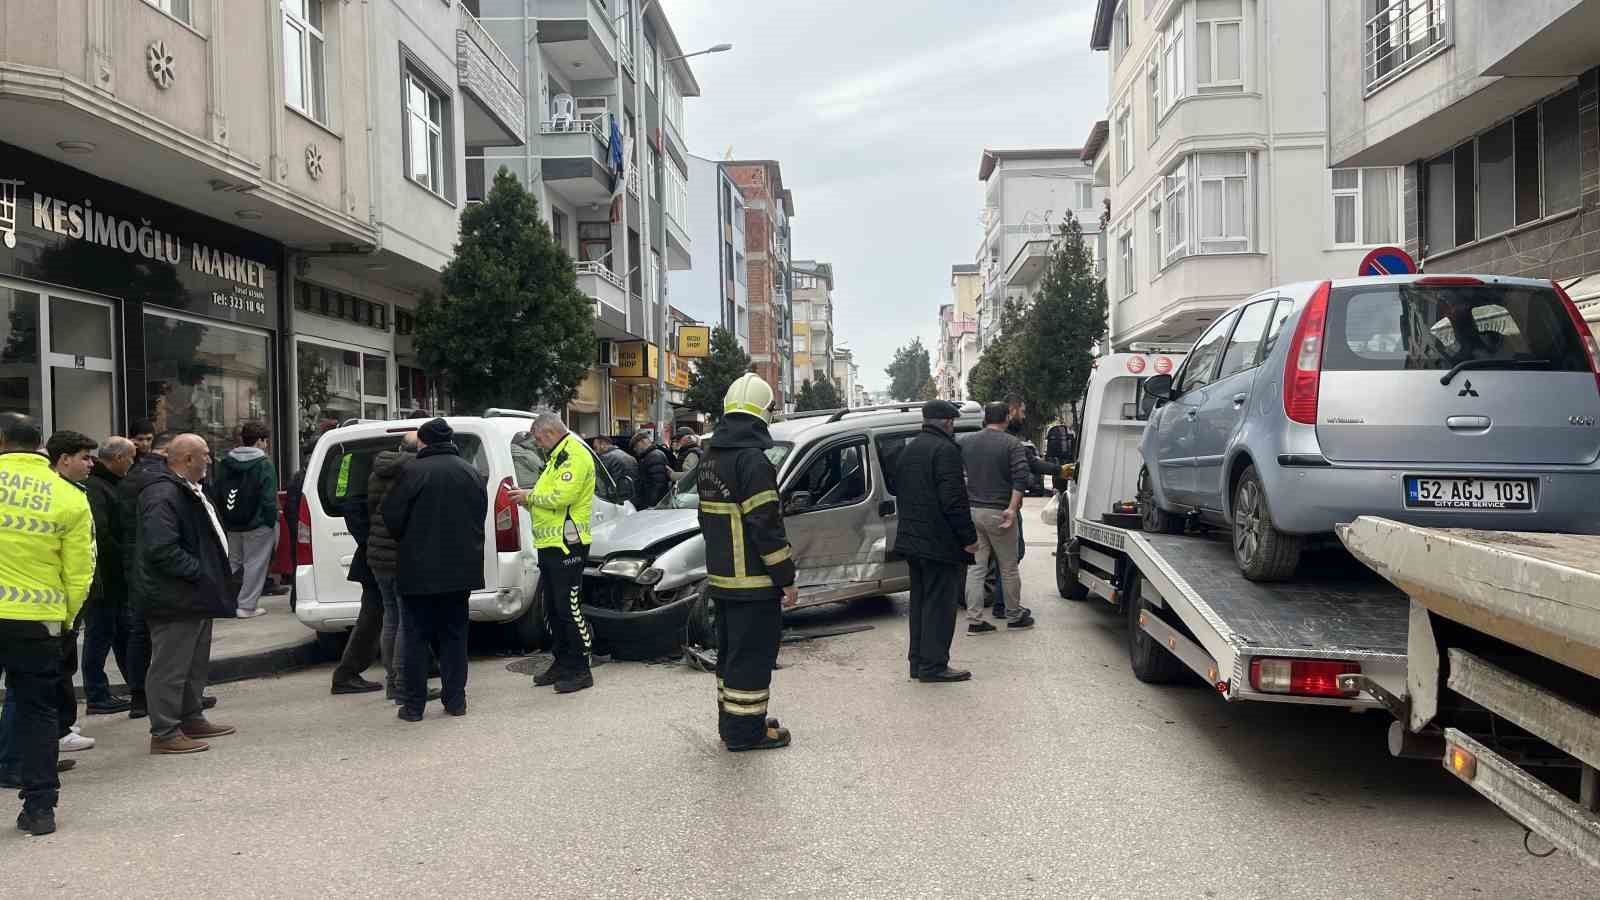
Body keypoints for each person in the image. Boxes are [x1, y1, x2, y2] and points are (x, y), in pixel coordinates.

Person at [0, 414, 95, 835]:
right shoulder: (68, 496)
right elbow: (80, 572)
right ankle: (40, 808)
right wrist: (66, 619)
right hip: (37, 622)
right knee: (37, 711)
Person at [698, 373, 797, 752]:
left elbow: (705, 520)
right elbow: (766, 526)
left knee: (731, 657)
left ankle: (736, 722)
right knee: (752, 657)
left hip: (723, 581)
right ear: (762, 413)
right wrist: (786, 577)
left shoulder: (710, 458)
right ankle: (746, 733)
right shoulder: (753, 461)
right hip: (753, 584)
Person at [136, 434, 238, 754]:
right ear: (188, 459)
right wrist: (200, 572)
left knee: (193, 663)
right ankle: (165, 732)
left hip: (194, 593)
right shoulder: (163, 493)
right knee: (171, 666)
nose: (210, 459)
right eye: (205, 454)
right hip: (175, 596)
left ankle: (191, 717)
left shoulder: (187, 488)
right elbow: (161, 548)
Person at [381, 419, 487, 722]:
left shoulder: (411, 472)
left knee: (416, 638)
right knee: (455, 637)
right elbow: (479, 514)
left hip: (418, 571)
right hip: (460, 571)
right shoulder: (469, 471)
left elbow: (392, 516)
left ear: (424, 442)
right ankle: (456, 700)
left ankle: (414, 706)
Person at [891, 400, 979, 683]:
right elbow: (954, 500)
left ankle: (918, 662)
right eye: (953, 423)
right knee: (940, 607)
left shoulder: (908, 450)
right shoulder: (946, 451)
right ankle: (934, 666)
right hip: (939, 544)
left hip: (912, 542)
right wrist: (968, 538)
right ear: (948, 422)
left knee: (920, 604)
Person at [511, 415, 597, 694]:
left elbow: (562, 497)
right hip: (551, 544)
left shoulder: (574, 455)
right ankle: (562, 662)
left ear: (549, 433)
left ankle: (581, 669)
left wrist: (529, 497)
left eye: (538, 438)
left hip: (568, 544)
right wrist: (526, 498)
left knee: (569, 608)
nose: (537, 444)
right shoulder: (556, 457)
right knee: (552, 608)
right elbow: (546, 496)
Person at [365, 433, 433, 703]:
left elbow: (371, 510)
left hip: (377, 554)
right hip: (400, 554)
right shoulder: (414, 472)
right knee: (408, 620)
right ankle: (405, 682)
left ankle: (392, 682)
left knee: (390, 617)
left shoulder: (377, 471)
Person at [119, 430, 179, 720]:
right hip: (154, 564)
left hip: (135, 562)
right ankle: (164, 699)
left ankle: (140, 697)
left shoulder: (134, 476)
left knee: (140, 632)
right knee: (162, 634)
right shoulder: (162, 480)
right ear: (168, 452)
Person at [45, 431, 99, 754]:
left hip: (65, 597)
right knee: (57, 667)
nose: (91, 464)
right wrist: (72, 609)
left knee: (64, 665)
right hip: (59, 599)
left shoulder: (74, 491)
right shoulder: (62, 494)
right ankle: (60, 729)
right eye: (84, 458)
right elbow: (74, 558)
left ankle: (63, 724)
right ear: (64, 460)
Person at [963, 402, 1033, 634]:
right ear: (1006, 418)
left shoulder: (967, 442)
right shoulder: (1011, 443)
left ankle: (975, 621)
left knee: (976, 569)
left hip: (974, 512)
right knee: (1008, 567)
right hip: (999, 513)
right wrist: (1012, 509)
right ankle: (1014, 616)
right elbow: (1020, 478)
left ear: (985, 418)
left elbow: (961, 475)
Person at [82, 436, 137, 715]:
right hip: (105, 577)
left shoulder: (112, 484)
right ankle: (96, 694)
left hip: (116, 576)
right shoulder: (97, 487)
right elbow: (102, 534)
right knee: (100, 635)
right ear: (117, 458)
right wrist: (126, 555)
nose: (132, 462)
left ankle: (137, 688)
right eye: (130, 457)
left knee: (122, 633)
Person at [328, 469, 385, 696]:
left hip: (375, 558)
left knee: (390, 614)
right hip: (375, 560)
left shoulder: (364, 477)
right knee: (372, 618)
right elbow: (353, 511)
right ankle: (346, 673)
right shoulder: (361, 480)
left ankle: (424, 663)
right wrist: (375, 542)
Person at [218, 422, 278, 619]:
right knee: (255, 564)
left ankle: (226, 602)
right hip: (257, 524)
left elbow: (218, 491)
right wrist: (270, 521)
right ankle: (246, 606)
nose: (266, 445)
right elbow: (268, 499)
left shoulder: (226, 463)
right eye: (265, 441)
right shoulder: (264, 464)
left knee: (232, 562)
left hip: (232, 523)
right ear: (260, 441)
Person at [629, 431, 671, 510]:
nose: (634, 449)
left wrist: (651, 505)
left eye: (635, 446)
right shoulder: (649, 456)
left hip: (653, 504)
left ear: (643, 442)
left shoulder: (654, 456)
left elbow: (658, 484)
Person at [591, 435, 636, 501]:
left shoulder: (605, 458)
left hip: (616, 498)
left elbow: (601, 484)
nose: (595, 451)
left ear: (603, 444)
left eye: (595, 447)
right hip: (632, 497)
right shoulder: (629, 457)